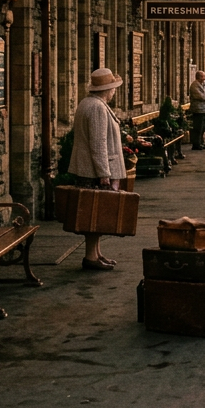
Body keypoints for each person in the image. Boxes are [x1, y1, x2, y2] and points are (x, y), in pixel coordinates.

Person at [68, 68, 127, 271]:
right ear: (107, 90)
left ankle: (96, 253)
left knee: (96, 215)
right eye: (113, 89)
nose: (114, 92)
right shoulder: (97, 108)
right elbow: (98, 143)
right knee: (94, 215)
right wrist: (104, 174)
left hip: (89, 169)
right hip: (93, 171)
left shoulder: (89, 103)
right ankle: (91, 256)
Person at [188, 70, 205, 150]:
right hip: (197, 110)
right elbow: (202, 97)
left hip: (204, 109)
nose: (204, 78)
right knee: (197, 128)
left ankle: (201, 142)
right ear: (198, 77)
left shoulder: (204, 84)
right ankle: (196, 143)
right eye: (203, 76)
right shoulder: (194, 85)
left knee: (203, 128)